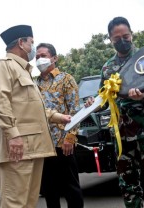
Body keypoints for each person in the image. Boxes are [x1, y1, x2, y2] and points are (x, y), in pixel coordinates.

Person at [85, 17, 144, 207]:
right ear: (110, 40)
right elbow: (105, 99)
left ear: (132, 35)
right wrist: (93, 103)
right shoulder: (107, 67)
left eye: (126, 36)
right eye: (117, 38)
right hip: (122, 134)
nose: (122, 41)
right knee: (128, 186)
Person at [0, 25, 72, 208]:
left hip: (32, 147)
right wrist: (13, 135)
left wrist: (59, 117)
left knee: (28, 203)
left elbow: (34, 107)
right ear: (21, 43)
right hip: (16, 148)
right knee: (14, 203)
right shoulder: (3, 66)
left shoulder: (23, 71)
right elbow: (0, 102)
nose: (33, 47)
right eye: (31, 42)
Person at [35, 43, 84, 208]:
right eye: (37, 57)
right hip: (44, 145)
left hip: (64, 143)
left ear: (54, 58)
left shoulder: (66, 79)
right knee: (50, 191)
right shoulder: (34, 84)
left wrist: (71, 137)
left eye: (43, 55)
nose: (39, 59)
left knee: (71, 189)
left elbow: (75, 110)